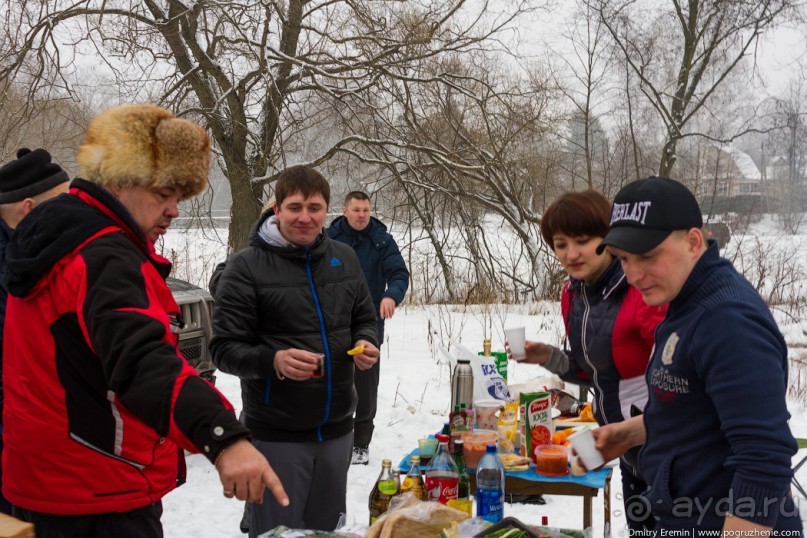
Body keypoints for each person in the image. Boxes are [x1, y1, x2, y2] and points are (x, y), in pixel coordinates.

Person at [2, 104, 288, 537]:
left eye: (179, 197)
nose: (174, 210)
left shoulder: (61, 237)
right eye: (163, 193)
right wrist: (223, 436)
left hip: (50, 484)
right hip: (95, 496)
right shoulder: (102, 255)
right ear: (119, 180)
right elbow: (141, 361)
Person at [593, 176, 802, 534]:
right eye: (624, 258)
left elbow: (763, 461)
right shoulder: (685, 299)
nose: (633, 274)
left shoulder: (726, 319)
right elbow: (697, 407)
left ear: (693, 241)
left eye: (647, 256)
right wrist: (631, 434)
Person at [210, 165, 380, 536]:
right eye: (295, 207)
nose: (305, 217)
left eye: (315, 207)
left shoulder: (344, 258)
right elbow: (223, 350)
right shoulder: (245, 268)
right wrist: (273, 361)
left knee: (326, 530)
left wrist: (367, 341)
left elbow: (364, 318)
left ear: (327, 211)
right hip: (276, 434)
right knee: (278, 531)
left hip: (337, 429)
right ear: (277, 209)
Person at [513, 190, 665, 530]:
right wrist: (548, 357)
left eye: (582, 240)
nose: (571, 254)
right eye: (560, 244)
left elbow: (679, 374)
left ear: (608, 239)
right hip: (622, 446)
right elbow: (595, 374)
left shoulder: (641, 290)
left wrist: (639, 427)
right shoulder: (573, 295)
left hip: (664, 444)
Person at [0, 148, 71, 515]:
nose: (72, 214)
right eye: (62, 204)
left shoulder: (35, 255)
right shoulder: (18, 266)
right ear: (29, 209)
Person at [326, 191, 409, 465]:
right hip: (333, 322)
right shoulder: (328, 238)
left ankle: (361, 443)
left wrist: (391, 295)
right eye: (356, 210)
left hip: (369, 320)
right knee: (332, 380)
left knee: (365, 383)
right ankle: (333, 436)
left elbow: (399, 273)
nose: (362, 215)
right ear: (345, 211)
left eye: (366, 210)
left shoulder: (381, 240)